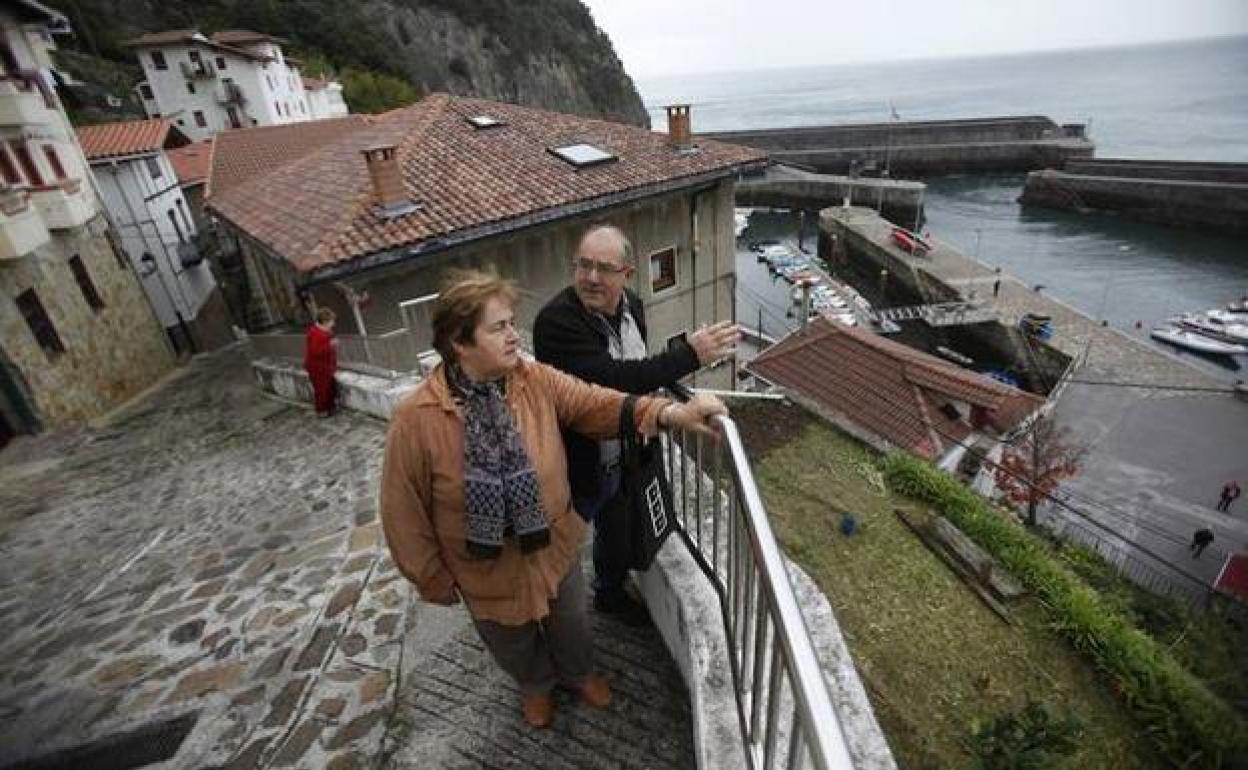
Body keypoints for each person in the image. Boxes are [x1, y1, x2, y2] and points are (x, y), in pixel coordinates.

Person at [379, 269, 726, 729]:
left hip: (553, 545)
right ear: (460, 344)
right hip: (483, 568)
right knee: (511, 640)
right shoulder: (416, 418)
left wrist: (671, 412)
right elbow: (402, 512)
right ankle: (536, 685)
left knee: (572, 624)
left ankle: (579, 673)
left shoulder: (532, 379)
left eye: (512, 323)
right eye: (498, 327)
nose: (513, 336)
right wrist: (433, 578)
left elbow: (595, 403)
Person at [533, 224, 738, 626]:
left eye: (604, 268)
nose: (591, 277)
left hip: (622, 451)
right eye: (584, 265)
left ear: (626, 274)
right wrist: (688, 356)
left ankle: (608, 592)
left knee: (615, 526)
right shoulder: (556, 323)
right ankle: (555, 617)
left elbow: (637, 368)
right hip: (578, 459)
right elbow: (612, 380)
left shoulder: (634, 307)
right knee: (565, 545)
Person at [304, 307, 338, 417]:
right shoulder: (315, 333)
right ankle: (322, 411)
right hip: (318, 367)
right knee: (321, 389)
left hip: (324, 366)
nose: (333, 323)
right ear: (325, 321)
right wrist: (330, 345)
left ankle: (330, 407)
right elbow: (315, 351)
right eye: (332, 321)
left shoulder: (321, 331)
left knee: (329, 387)